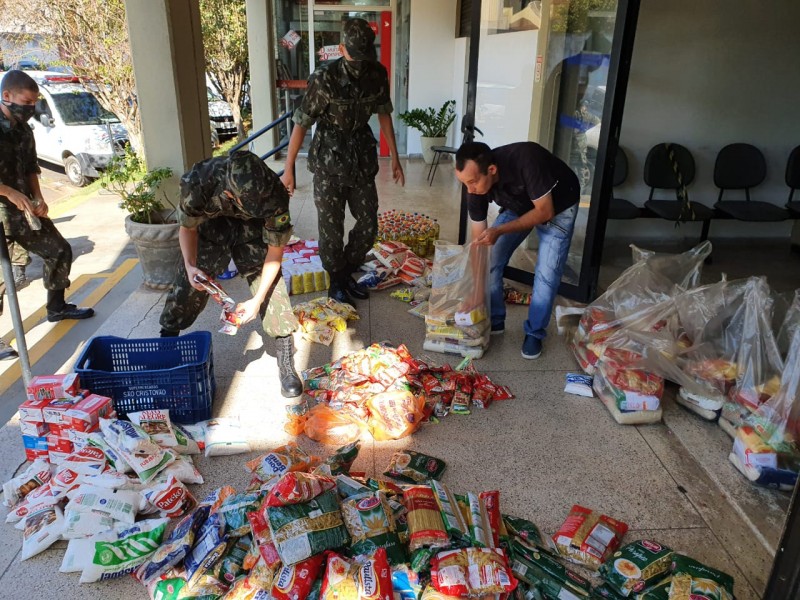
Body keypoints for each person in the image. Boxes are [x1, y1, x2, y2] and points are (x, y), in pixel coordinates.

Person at [158, 150, 303, 398]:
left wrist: (256, 301)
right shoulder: (198, 182)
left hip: (253, 229)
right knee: (189, 283)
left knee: (270, 287)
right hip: (212, 226)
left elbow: (274, 256)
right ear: (229, 192)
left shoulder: (275, 195)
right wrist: (191, 265)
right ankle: (166, 346)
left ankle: (286, 360)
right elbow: (187, 229)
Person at [281, 18, 404, 305]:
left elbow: (384, 113)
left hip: (361, 160)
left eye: (363, 55)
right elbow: (301, 123)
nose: (359, 63)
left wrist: (395, 157)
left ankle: (346, 270)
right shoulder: (324, 78)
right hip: (328, 163)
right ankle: (336, 280)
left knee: (369, 224)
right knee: (331, 228)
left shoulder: (377, 74)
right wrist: (289, 169)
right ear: (341, 48)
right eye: (353, 55)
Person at [0, 70, 94, 361]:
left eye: (34, 102)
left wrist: (38, 197)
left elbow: (31, 168)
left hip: (23, 211)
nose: (31, 107)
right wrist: (9, 192)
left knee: (59, 250)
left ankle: (57, 307)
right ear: (7, 96)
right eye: (27, 101)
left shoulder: (24, 130)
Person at [455, 141, 579, 360]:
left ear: (491, 171)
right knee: (492, 257)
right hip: (520, 204)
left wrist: (500, 230)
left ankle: (534, 332)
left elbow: (545, 211)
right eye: (465, 184)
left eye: (473, 183)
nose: (470, 190)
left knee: (546, 274)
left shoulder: (526, 159)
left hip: (558, 206)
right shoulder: (474, 185)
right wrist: (476, 295)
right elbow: (478, 241)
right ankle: (495, 319)